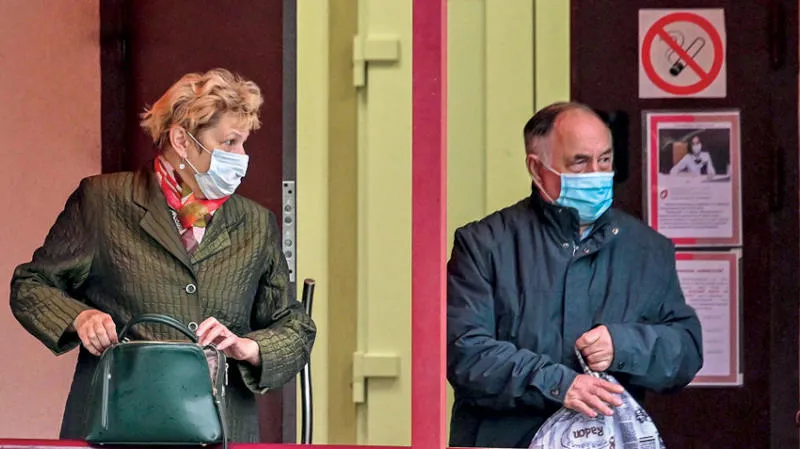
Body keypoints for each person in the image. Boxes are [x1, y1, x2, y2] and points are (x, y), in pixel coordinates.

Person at [10, 68, 316, 443]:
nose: (241, 156)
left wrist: (247, 346)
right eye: (230, 142)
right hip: (118, 429)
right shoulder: (104, 201)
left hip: (222, 431)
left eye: (243, 143)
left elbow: (295, 327)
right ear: (182, 140)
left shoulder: (255, 223)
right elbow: (31, 285)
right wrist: (79, 317)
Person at [446, 102, 703, 448]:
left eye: (605, 160)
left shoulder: (647, 249)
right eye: (580, 162)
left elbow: (685, 351)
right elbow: (465, 353)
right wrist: (558, 384)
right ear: (537, 168)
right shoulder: (485, 245)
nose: (596, 173)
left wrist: (623, 345)